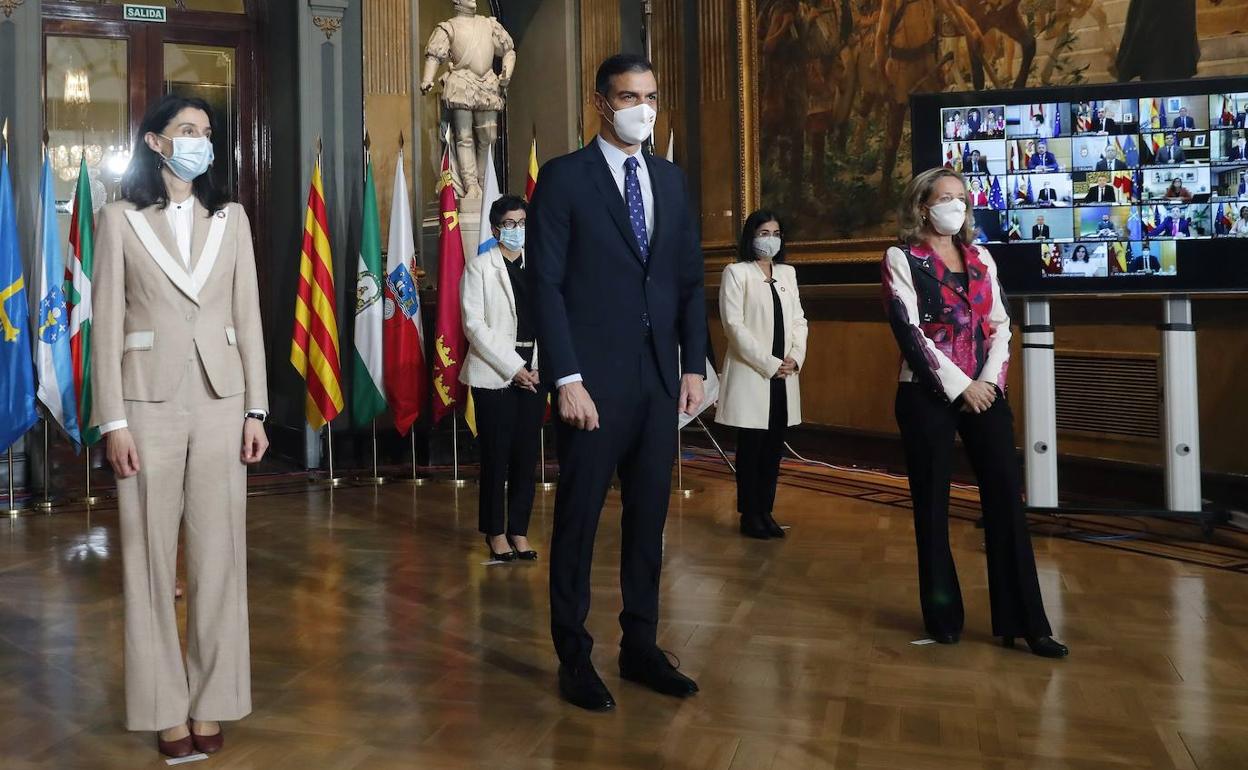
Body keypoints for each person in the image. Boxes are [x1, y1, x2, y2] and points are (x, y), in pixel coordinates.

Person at [91, 95, 268, 758]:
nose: (200, 141)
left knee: (220, 558)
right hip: (145, 403)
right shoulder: (119, 219)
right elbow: (107, 325)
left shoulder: (231, 218)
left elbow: (248, 316)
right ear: (156, 142)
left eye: (207, 132)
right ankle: (164, 708)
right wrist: (112, 420)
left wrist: (256, 409)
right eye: (187, 130)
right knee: (147, 558)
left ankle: (212, 700)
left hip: (224, 401)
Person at [529, 53, 707, 712]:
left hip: (659, 379)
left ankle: (641, 646)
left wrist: (694, 365)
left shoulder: (671, 180)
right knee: (578, 519)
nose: (644, 108)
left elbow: (688, 281)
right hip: (591, 383)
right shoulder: (565, 177)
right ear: (601, 102)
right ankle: (574, 655)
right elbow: (545, 284)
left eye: (651, 96)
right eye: (630, 96)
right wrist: (566, 377)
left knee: (649, 517)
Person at [880, 167, 1068, 659]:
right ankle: (943, 617)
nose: (957, 206)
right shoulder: (902, 258)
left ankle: (1026, 624)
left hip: (986, 390)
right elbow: (909, 330)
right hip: (927, 394)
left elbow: (1001, 325)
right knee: (932, 504)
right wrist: (961, 386)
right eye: (946, 197)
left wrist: (987, 383)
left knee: (1006, 498)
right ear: (922, 206)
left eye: (961, 198)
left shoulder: (981, 257)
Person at [460, 194, 544, 563]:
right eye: (510, 224)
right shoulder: (480, 268)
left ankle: (519, 530)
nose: (517, 230)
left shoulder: (539, 266)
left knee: (527, 457)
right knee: (496, 457)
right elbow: (474, 326)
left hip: (535, 371)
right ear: (496, 229)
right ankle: (495, 532)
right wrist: (514, 368)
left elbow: (550, 320)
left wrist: (540, 366)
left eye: (522, 223)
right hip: (495, 374)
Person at [716, 211, 808, 540]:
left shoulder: (787, 273)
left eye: (776, 233)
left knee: (773, 448)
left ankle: (766, 511)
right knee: (751, 448)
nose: (771, 239)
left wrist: (795, 357)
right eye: (764, 232)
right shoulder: (736, 273)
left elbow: (799, 320)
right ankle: (749, 513)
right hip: (753, 374)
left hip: (784, 376)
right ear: (751, 236)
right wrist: (769, 363)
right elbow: (734, 326)